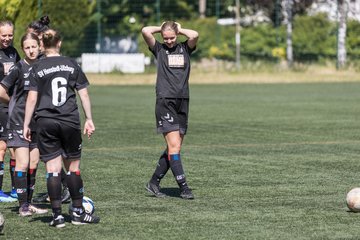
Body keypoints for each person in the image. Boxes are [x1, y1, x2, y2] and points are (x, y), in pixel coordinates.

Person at [23, 28, 100, 227]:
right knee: (73, 169)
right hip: (69, 121)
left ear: (42, 46)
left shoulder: (37, 67)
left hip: (45, 121)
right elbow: (83, 94)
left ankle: (56, 217)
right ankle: (77, 213)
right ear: (59, 43)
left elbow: (32, 98)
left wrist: (26, 124)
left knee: (53, 170)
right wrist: (89, 119)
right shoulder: (71, 64)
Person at [142, 21, 198, 199]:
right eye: (165, 38)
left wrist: (178, 29)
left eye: (172, 37)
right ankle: (184, 187)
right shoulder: (159, 49)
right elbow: (145, 30)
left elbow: (194, 35)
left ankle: (153, 183)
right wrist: (162, 27)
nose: (169, 41)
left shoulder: (185, 48)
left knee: (175, 146)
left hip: (183, 100)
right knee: (174, 147)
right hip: (165, 101)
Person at [0, 32, 48, 216]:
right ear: (23, 49)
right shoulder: (19, 68)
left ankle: (29, 202)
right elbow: (1, 90)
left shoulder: (43, 67)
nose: (31, 50)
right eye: (27, 47)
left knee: (34, 163)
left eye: (33, 46)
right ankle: (23, 206)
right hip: (19, 121)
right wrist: (13, 102)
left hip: (37, 122)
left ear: (39, 47)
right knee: (23, 162)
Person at [26, 16, 70, 204]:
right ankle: (59, 189)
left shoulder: (45, 60)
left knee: (55, 155)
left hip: (50, 113)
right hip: (46, 113)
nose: (30, 40)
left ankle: (68, 188)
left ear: (41, 36)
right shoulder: (40, 56)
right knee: (49, 156)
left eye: (32, 36)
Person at [0, 20, 20, 202]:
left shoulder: (14, 53)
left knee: (14, 147)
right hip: (1, 106)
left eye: (10, 35)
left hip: (11, 107)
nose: (7, 38)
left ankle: (15, 189)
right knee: (1, 147)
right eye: (3, 35)